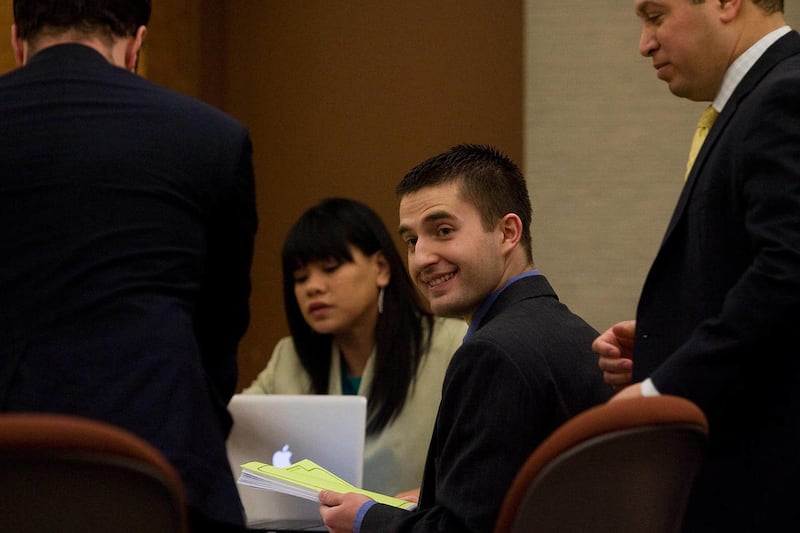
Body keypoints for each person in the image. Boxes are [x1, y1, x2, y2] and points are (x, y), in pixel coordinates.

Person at [0, 1, 257, 530]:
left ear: (16, 42)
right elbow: (220, 328)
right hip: (154, 470)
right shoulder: (212, 138)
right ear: (136, 46)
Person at [318, 144, 612, 532]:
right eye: (412, 241)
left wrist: (364, 517)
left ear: (508, 232)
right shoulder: (568, 331)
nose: (421, 258)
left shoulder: (493, 353)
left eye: (443, 231)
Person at [593, 1, 800, 531]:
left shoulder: (784, 94)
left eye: (656, 15)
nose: (644, 44)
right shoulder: (754, 101)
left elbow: (787, 274)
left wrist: (663, 390)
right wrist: (670, 342)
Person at [243, 197, 466, 495]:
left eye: (330, 268)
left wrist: (430, 497)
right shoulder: (290, 358)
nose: (313, 287)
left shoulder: (452, 343)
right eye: (300, 277)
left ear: (381, 268)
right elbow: (233, 425)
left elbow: (484, 462)